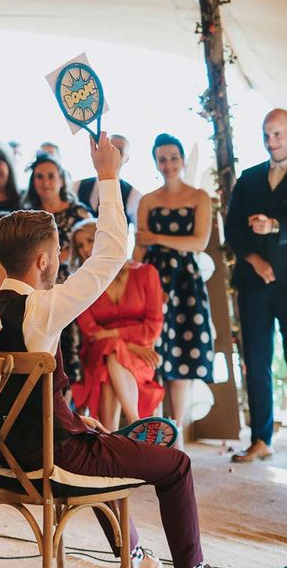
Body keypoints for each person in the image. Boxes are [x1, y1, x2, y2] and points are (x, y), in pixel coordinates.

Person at [0, 134, 247, 568]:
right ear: (46, 260)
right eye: (60, 256)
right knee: (176, 463)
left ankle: (135, 556)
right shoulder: (40, 309)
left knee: (104, 439)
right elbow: (111, 254)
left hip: (2, 463)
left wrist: (70, 417)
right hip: (54, 460)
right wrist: (109, 175)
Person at [133, 133, 214, 437]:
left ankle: (177, 431)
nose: (168, 164)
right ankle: (154, 430)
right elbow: (138, 251)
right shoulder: (148, 200)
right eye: (162, 158)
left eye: (173, 158)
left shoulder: (199, 197)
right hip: (153, 281)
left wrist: (155, 238)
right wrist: (130, 280)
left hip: (185, 283)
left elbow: (199, 242)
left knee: (183, 354)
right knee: (154, 355)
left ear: (182, 160)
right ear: (156, 161)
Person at [225, 108, 287, 462]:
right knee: (256, 360)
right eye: (267, 135)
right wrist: (253, 258)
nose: (271, 142)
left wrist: (275, 226)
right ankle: (261, 438)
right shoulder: (248, 179)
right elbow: (232, 228)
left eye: (278, 134)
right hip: (253, 283)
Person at [70, 219, 164, 430]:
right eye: (80, 246)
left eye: (90, 240)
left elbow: (154, 325)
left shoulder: (146, 273)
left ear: (108, 239)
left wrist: (113, 335)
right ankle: (135, 423)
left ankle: (110, 439)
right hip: (100, 351)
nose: (85, 249)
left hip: (140, 356)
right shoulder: (83, 283)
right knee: (110, 350)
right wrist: (128, 344)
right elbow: (90, 331)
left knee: (108, 366)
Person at [25, 151, 94, 382]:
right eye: (40, 177)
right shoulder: (28, 214)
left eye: (51, 176)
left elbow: (92, 246)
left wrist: (62, 257)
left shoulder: (78, 211)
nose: (45, 182)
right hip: (36, 283)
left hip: (70, 282)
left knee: (72, 340)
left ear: (62, 179)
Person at [72, 133, 141, 225]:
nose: (113, 154)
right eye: (110, 148)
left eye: (119, 150)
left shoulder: (134, 195)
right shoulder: (76, 186)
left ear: (127, 158)